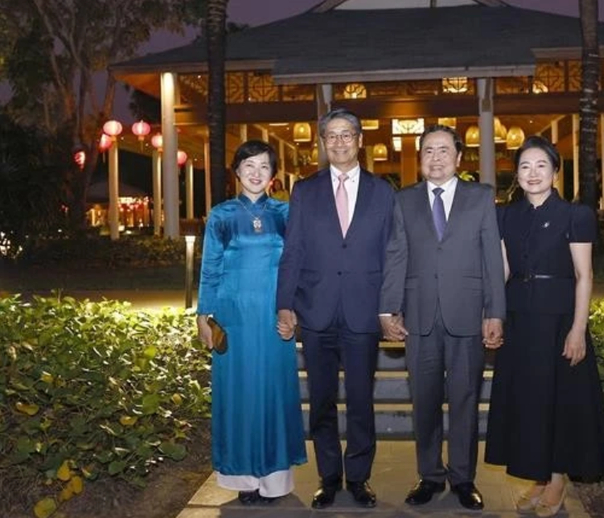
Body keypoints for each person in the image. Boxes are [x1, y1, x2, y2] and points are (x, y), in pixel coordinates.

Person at [484, 136, 604, 517]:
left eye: (541, 165)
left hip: (559, 320)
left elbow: (583, 274)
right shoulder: (505, 215)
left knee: (558, 401)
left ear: (556, 172)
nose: (533, 173)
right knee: (527, 401)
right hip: (519, 318)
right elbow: (504, 268)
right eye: (525, 166)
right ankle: (538, 476)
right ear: (517, 174)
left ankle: (557, 479)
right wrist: (493, 313)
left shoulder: (576, 216)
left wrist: (578, 329)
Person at [379, 124, 505, 511]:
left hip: (467, 314)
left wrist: (495, 312)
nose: (435, 158)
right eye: (428, 151)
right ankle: (430, 476)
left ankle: (464, 479)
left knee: (465, 399)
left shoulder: (480, 197)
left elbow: (490, 260)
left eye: (443, 151)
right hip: (419, 317)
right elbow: (397, 255)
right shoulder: (404, 200)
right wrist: (388, 308)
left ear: (458, 157)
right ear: (420, 159)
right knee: (426, 400)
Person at [276, 108, 394, 509]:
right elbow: (293, 251)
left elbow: (392, 254)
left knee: (361, 399)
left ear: (360, 140)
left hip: (364, 311)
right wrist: (285, 304)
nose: (339, 142)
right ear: (323, 144)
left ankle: (358, 478)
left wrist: (391, 307)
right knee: (322, 400)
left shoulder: (383, 191)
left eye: (347, 135)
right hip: (316, 311)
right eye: (331, 136)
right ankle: (329, 478)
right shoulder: (304, 191)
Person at [196, 140, 307, 506]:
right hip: (234, 317)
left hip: (275, 317)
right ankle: (244, 477)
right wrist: (203, 315)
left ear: (273, 175)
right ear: (237, 171)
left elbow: (297, 267)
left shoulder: (285, 213)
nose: (256, 173)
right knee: (239, 394)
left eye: (263, 166)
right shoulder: (221, 215)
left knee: (274, 392)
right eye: (249, 165)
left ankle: (275, 479)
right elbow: (210, 267)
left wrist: (293, 311)